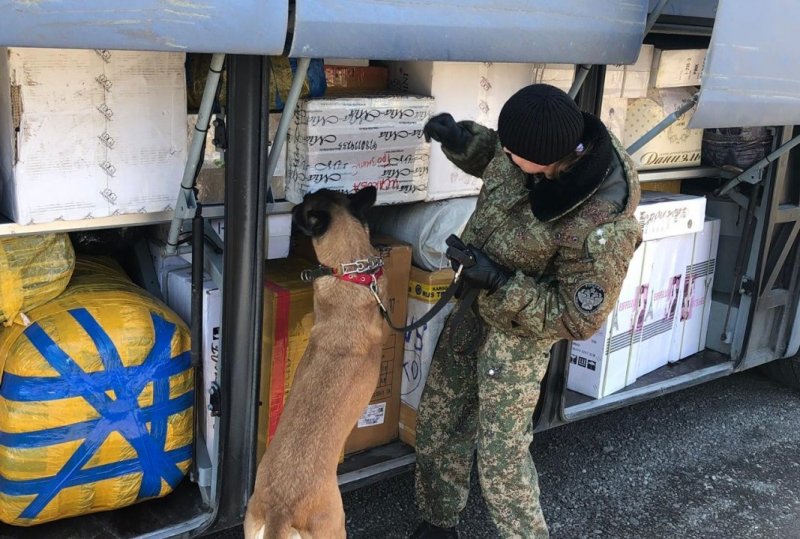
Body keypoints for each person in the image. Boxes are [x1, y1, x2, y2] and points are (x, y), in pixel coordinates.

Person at [410, 84, 642, 539]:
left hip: (520, 331)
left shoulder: (601, 224)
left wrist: (500, 282)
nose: (506, 154)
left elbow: (578, 318)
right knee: (441, 417)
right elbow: (500, 155)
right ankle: (438, 523)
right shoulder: (541, 143)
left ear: (550, 160)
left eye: (515, 151)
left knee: (501, 456)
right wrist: (462, 140)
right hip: (477, 300)